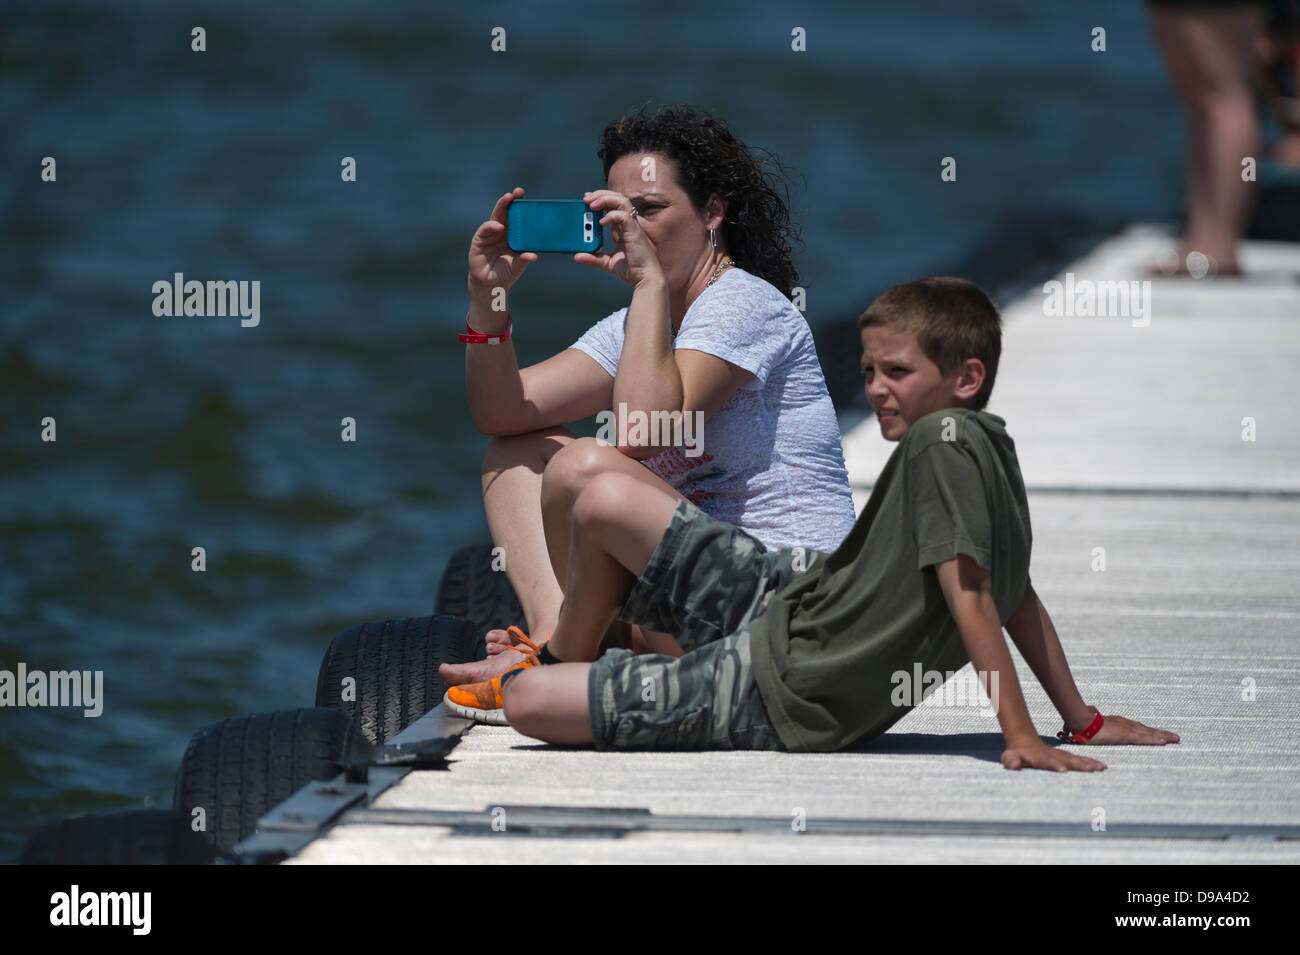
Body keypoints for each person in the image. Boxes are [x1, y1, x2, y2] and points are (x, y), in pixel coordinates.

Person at [499, 277, 1180, 770]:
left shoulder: (944, 441)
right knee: (598, 495)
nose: (876, 388)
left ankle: (589, 655)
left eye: (897, 372)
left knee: (527, 698)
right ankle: (593, 647)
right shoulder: (981, 442)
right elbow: (1017, 592)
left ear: (967, 377)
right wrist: (1080, 721)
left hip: (782, 683)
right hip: (792, 595)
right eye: (869, 371)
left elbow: (976, 593)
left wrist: (1021, 733)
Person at [442, 106, 855, 698]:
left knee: (584, 466)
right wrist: (488, 301)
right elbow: (503, 413)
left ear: (713, 211)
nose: (631, 228)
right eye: (619, 212)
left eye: (652, 211)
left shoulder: (745, 302)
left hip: (792, 608)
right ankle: (552, 640)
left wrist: (648, 285)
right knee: (516, 452)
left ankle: (557, 662)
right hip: (699, 604)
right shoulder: (640, 320)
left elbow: (641, 432)